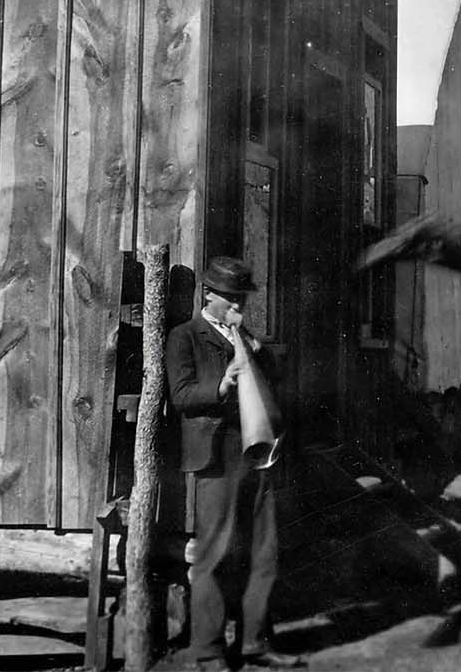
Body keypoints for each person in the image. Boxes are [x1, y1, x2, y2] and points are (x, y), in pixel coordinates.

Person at [164, 258, 301, 670]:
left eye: (241, 298)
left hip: (258, 455)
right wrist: (224, 383)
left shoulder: (246, 336)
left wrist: (260, 354)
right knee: (214, 553)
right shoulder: (185, 336)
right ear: (209, 295)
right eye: (231, 298)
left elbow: (274, 386)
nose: (237, 305)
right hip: (217, 458)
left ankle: (255, 643)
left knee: (264, 552)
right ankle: (207, 650)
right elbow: (183, 395)